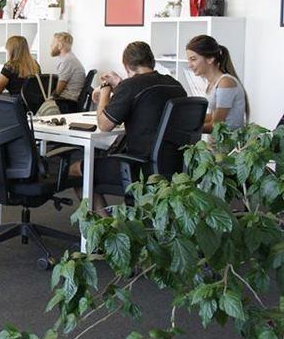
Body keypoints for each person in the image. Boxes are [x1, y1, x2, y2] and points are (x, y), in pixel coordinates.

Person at [70, 41, 186, 215]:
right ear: (151, 62)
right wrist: (120, 84)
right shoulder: (175, 85)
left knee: (75, 170)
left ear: (126, 65)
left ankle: (107, 229)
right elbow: (147, 103)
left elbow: (104, 125)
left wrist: (105, 91)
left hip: (138, 167)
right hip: (174, 164)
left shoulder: (131, 86)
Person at [185, 35, 248, 131]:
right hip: (215, 144)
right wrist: (185, 119)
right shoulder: (212, 83)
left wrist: (184, 128)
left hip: (229, 145)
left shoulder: (226, 83)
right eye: (188, 60)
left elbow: (216, 125)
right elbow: (214, 116)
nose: (189, 65)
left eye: (193, 59)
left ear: (210, 59)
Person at [50, 32, 86, 113]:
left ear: (60, 46)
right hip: (68, 100)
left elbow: (61, 86)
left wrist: (51, 97)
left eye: (52, 44)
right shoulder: (69, 58)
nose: (50, 46)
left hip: (67, 102)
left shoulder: (67, 60)